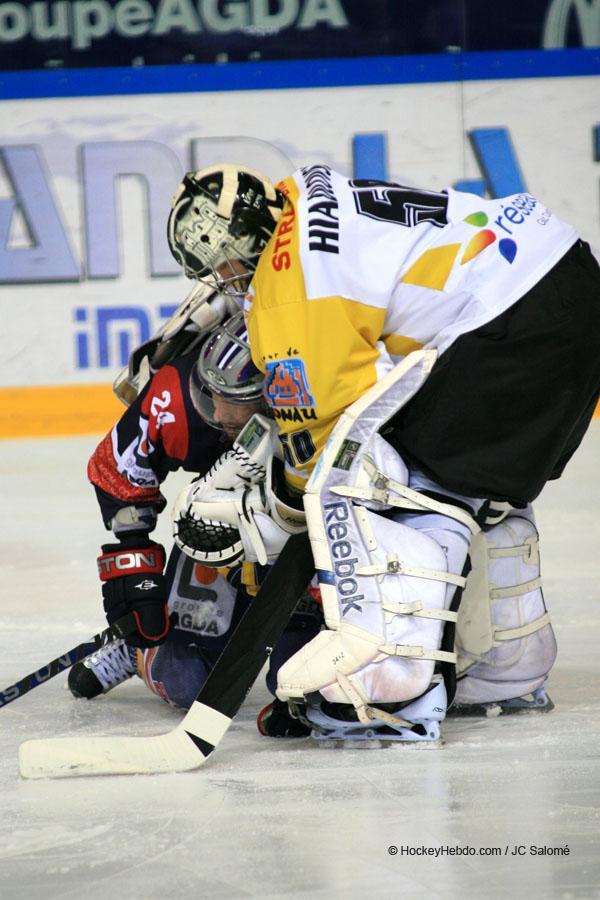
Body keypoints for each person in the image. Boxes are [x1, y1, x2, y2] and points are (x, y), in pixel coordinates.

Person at [166, 163, 600, 744]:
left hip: (509, 320)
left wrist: (267, 514)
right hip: (568, 274)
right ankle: (505, 668)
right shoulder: (301, 190)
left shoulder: (287, 295)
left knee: (389, 484)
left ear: (236, 247)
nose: (222, 277)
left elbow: (324, 449)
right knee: (479, 490)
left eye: (218, 263)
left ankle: (391, 691)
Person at [68, 310, 321, 737]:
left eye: (237, 401)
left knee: (306, 685)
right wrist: (139, 581)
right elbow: (118, 467)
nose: (218, 412)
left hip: (306, 530)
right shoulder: (178, 395)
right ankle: (137, 653)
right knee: (186, 680)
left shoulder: (321, 408)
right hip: (219, 519)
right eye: (211, 392)